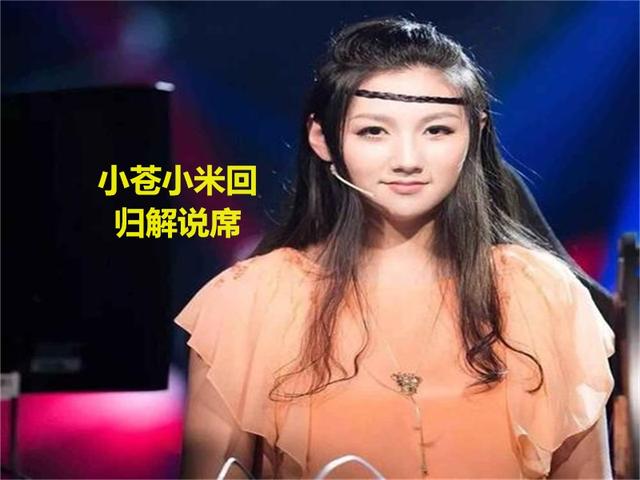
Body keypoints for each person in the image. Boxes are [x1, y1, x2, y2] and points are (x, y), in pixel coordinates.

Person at [175, 16, 615, 479]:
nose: (407, 160)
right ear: (322, 138)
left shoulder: (543, 295)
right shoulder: (248, 302)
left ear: (476, 132)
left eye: (437, 130)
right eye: (374, 132)